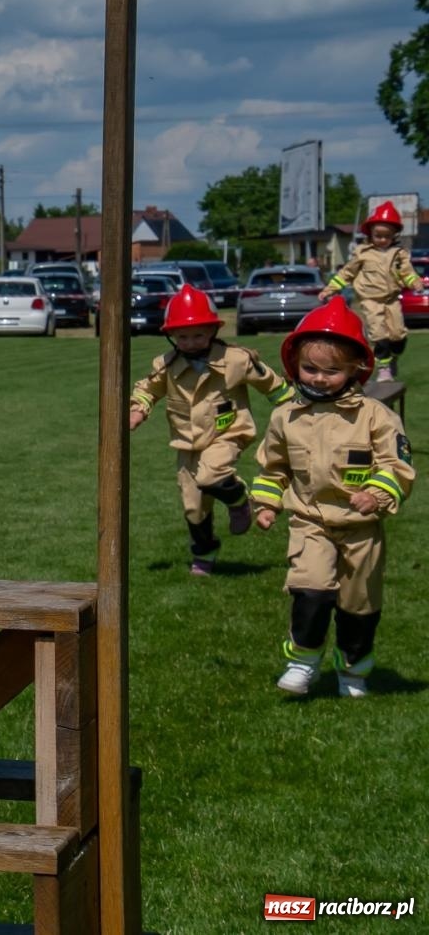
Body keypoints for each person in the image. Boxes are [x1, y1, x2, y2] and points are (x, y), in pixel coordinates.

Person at [250, 298, 414, 697]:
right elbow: (274, 468)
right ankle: (303, 660)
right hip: (311, 522)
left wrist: (376, 494)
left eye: (332, 370)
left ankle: (353, 671)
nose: (320, 378)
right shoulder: (285, 416)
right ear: (294, 366)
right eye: (311, 368)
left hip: (361, 529)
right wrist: (267, 504)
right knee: (311, 590)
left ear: (356, 368)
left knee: (359, 607)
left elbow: (398, 466)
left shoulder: (375, 415)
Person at [129, 284, 294, 575]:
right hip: (187, 444)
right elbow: (147, 389)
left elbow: (272, 385)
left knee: (212, 473)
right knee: (194, 508)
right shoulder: (165, 365)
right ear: (171, 336)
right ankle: (205, 552)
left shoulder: (237, 360)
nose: (191, 342)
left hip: (227, 435)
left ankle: (239, 498)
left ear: (213, 331)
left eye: (198, 335)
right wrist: (139, 408)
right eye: (182, 337)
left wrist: (293, 409)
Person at [318, 200, 424, 382]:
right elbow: (346, 273)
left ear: (394, 235)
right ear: (370, 234)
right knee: (379, 334)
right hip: (370, 300)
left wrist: (414, 281)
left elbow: (407, 273)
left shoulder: (399, 254)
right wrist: (330, 289)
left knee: (398, 336)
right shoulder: (362, 253)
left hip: (391, 300)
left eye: (387, 236)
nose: (382, 240)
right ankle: (383, 369)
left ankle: (393, 358)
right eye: (378, 235)